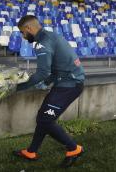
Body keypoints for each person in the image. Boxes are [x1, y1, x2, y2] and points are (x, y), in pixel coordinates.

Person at [12, 15, 86, 168]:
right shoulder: (51, 35)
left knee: (45, 120)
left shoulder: (43, 42)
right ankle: (31, 151)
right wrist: (46, 82)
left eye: (22, 32)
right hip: (65, 83)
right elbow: (56, 67)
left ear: (28, 28)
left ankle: (74, 149)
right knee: (43, 117)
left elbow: (42, 72)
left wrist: (17, 88)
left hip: (69, 85)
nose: (23, 36)